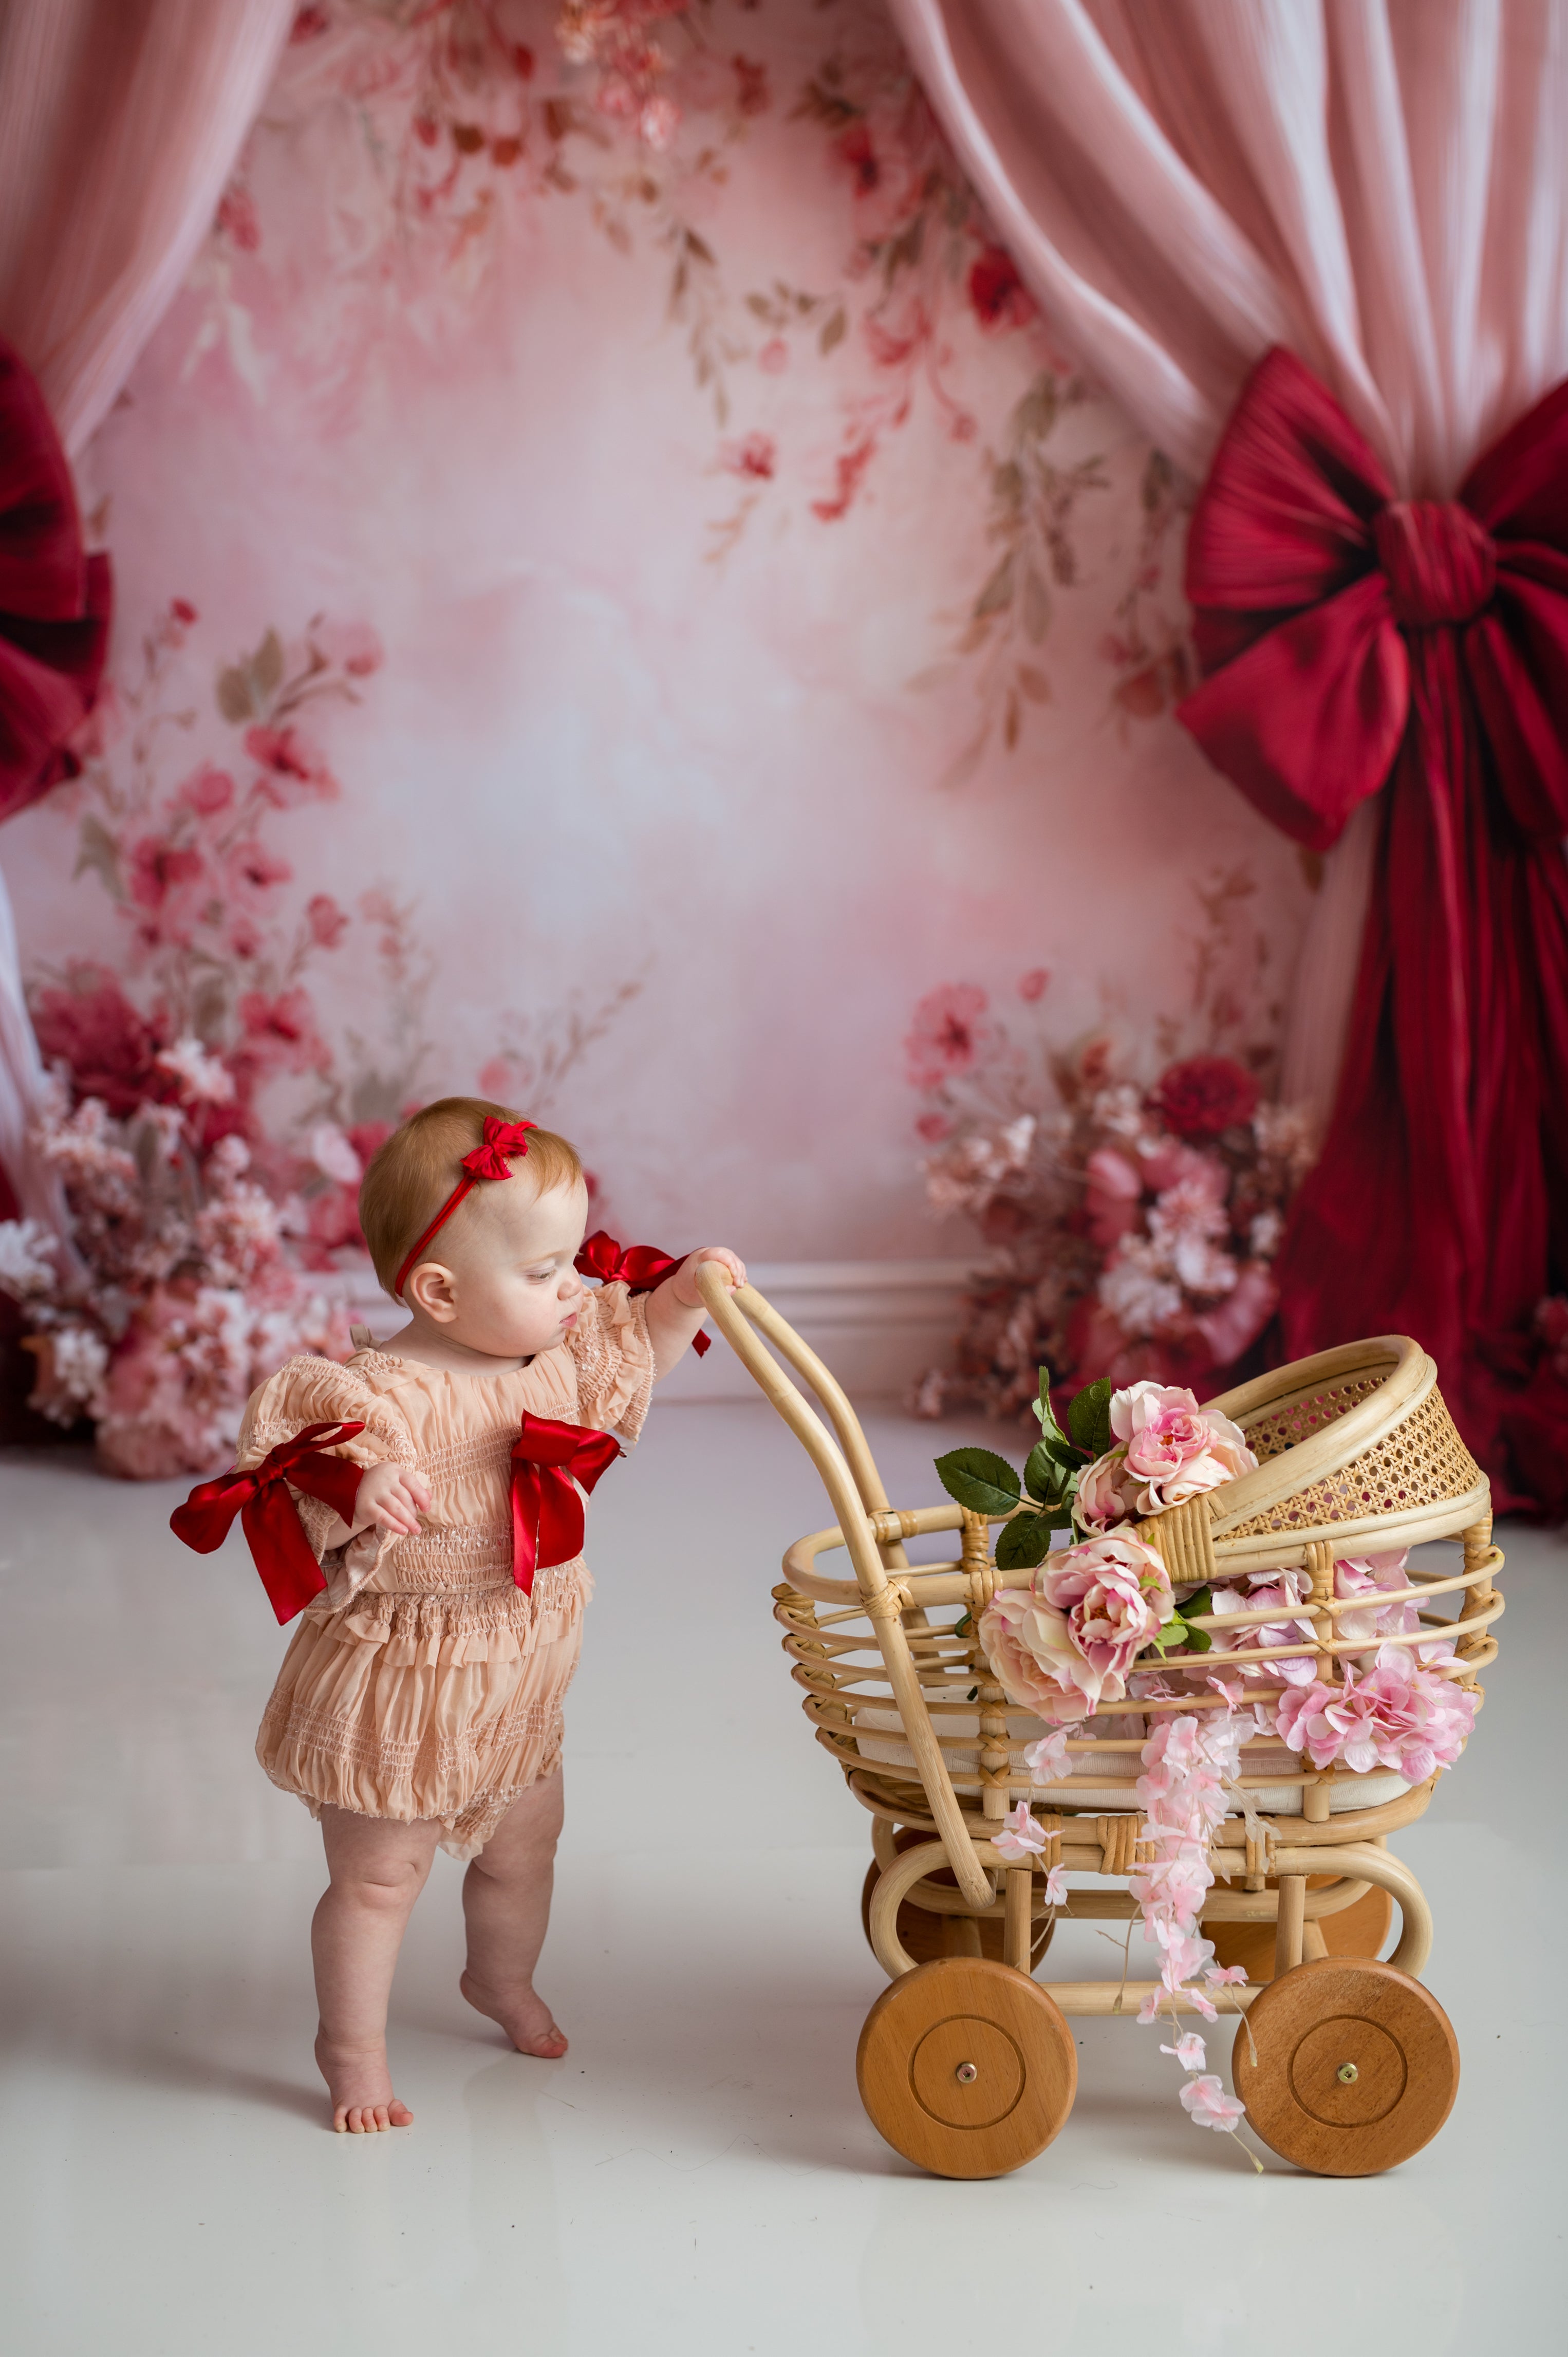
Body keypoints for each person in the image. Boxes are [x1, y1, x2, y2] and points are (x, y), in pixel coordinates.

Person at [222, 1097, 742, 2132]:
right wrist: (360, 1487)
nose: (575, 1287)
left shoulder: (554, 1357)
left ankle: (497, 1980)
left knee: (526, 1847)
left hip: (514, 1672)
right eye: (545, 1271)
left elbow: (634, 1348)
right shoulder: (382, 1392)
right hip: (404, 1682)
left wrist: (681, 1297)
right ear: (439, 1290)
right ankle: (351, 2046)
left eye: (571, 1264)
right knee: (379, 1876)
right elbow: (301, 1458)